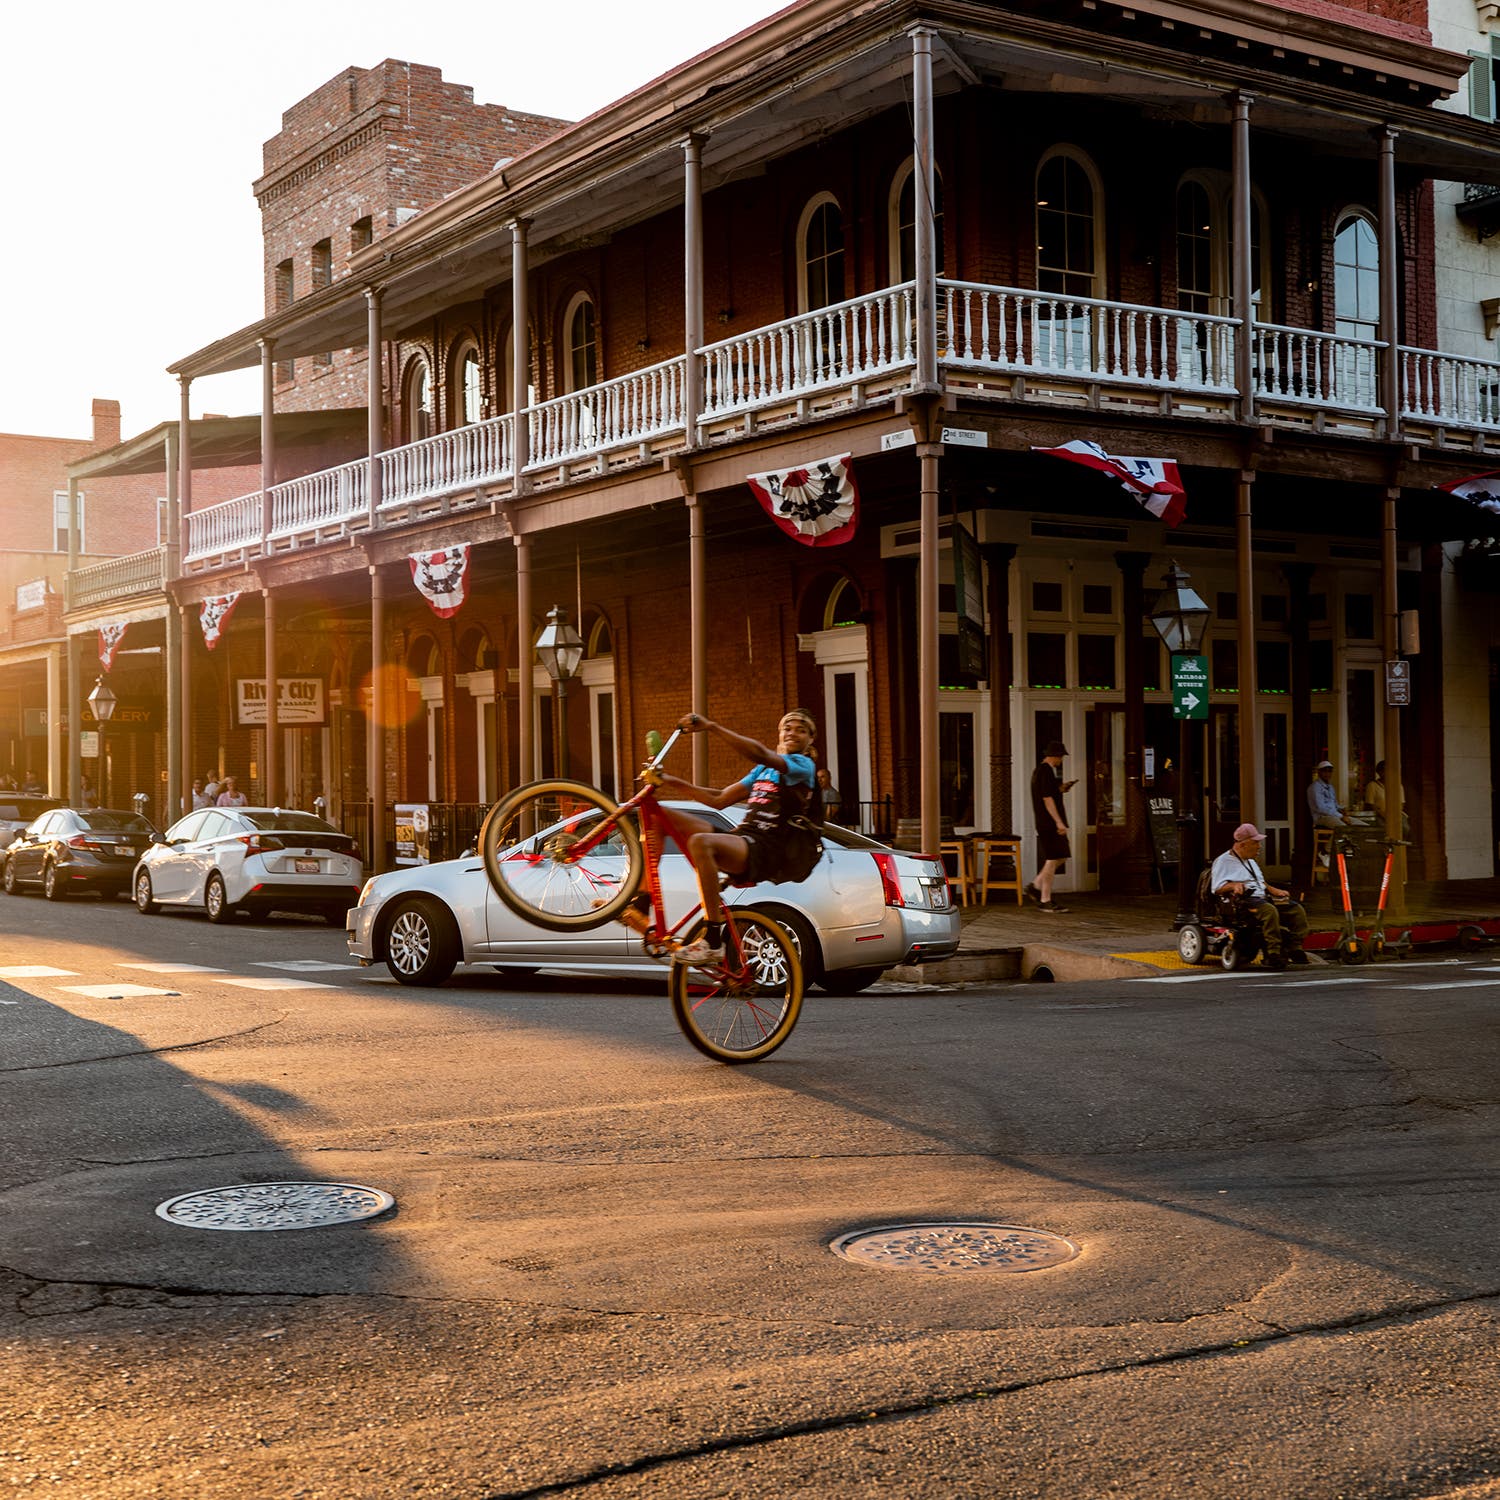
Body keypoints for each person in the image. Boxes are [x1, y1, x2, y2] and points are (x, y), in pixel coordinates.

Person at [653, 709, 822, 965]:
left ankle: (712, 940)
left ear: (811, 739)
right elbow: (718, 799)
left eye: (801, 729)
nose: (793, 733)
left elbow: (759, 752)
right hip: (743, 838)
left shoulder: (803, 766)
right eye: (788, 728)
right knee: (658, 815)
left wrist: (712, 727)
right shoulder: (763, 770)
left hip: (767, 849)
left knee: (700, 842)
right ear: (780, 733)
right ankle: (641, 900)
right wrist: (669, 780)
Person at [1211, 822, 1310, 970]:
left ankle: (1294, 948)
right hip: (1243, 902)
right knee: (1269, 912)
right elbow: (1216, 888)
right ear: (1242, 845)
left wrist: (1273, 890)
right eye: (1255, 843)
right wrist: (1233, 885)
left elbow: (1260, 882)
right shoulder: (1223, 861)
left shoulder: (1250, 861)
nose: (1259, 847)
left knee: (1296, 910)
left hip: (1262, 898)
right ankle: (1273, 952)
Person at [1027, 740, 1076, 913]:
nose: (1061, 760)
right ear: (1055, 756)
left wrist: (1061, 789)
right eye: (1061, 757)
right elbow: (1047, 799)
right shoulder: (1046, 771)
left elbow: (1049, 793)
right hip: (1049, 822)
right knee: (1053, 858)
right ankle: (1045, 898)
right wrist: (1059, 822)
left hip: (1045, 822)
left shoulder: (1039, 772)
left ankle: (1036, 886)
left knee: (1060, 856)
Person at [1307, 759, 1347, 829]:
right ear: (1319, 772)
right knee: (1344, 828)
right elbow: (1321, 808)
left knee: (1360, 825)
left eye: (1329, 771)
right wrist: (1340, 816)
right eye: (1324, 771)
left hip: (1334, 815)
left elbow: (1334, 804)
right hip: (1322, 817)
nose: (1327, 774)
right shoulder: (1315, 787)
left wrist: (1341, 809)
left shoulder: (1330, 787)